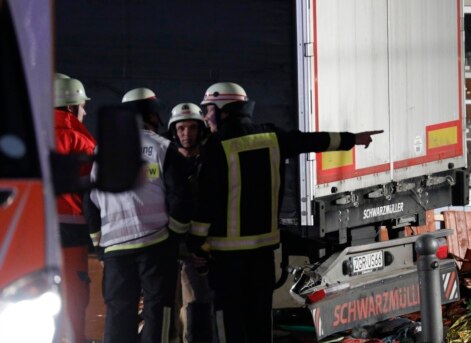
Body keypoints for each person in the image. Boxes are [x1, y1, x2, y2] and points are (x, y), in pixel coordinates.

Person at [192, 82, 383, 342]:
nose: (205, 116)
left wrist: (196, 245)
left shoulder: (216, 145)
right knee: (259, 319)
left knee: (229, 321)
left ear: (222, 109)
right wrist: (353, 138)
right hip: (263, 255)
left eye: (208, 109)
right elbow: (310, 140)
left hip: (227, 259)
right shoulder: (271, 137)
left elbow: (206, 202)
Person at [84, 87, 192, 343]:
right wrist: (175, 235)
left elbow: (90, 202)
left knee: (119, 312)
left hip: (115, 250)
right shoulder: (163, 147)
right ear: (152, 116)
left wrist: (99, 245)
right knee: (158, 310)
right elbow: (181, 197)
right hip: (155, 245)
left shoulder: (102, 152)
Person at [166, 102, 214, 342]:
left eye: (192, 128)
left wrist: (199, 249)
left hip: (198, 251)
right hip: (171, 247)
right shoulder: (167, 164)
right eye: (182, 128)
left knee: (195, 306)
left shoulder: (209, 164)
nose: (187, 134)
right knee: (169, 309)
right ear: (174, 131)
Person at [54, 75, 96, 343]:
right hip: (70, 225)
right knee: (73, 290)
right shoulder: (78, 137)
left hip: (26, 223)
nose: (85, 111)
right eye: (82, 106)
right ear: (70, 107)